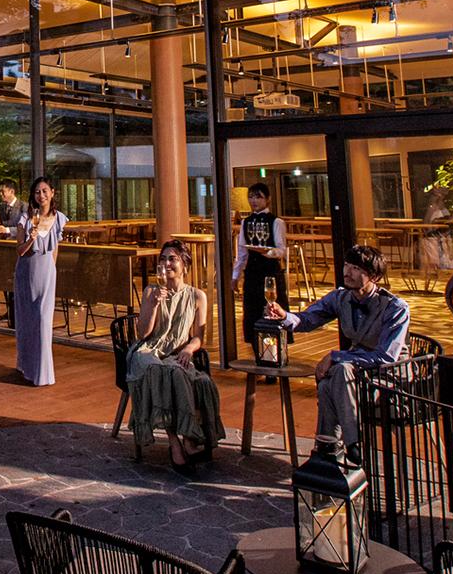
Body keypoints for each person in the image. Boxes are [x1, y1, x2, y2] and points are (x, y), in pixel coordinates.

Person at [265, 243, 409, 467]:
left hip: (389, 377)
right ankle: (341, 446)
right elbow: (308, 319)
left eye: (356, 268)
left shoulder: (395, 307)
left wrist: (336, 356)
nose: (347, 272)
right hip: (356, 376)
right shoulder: (341, 298)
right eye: (346, 265)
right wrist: (284, 316)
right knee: (330, 382)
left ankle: (335, 447)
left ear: (374, 277)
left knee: (337, 372)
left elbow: (386, 357)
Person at [126, 238, 225, 475]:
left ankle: (189, 436)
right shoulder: (151, 291)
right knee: (162, 372)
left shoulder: (197, 296)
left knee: (194, 378)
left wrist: (189, 350)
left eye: (172, 259)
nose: (167, 264)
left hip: (176, 353)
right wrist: (153, 305)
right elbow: (143, 334)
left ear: (185, 265)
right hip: (147, 352)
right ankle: (175, 443)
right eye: (163, 259)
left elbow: (198, 337)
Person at [14, 174, 66, 386]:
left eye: (45, 191)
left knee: (43, 322)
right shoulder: (25, 219)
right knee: (27, 322)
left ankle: (43, 374)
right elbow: (20, 251)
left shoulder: (59, 219)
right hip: (26, 272)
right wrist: (31, 238)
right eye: (37, 192)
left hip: (47, 273)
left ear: (52, 193)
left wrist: (52, 270)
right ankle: (27, 367)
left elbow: (55, 250)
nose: (41, 195)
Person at [231, 182, 288, 352]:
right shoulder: (246, 222)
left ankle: (276, 353)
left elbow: (281, 250)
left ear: (268, 199)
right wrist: (235, 276)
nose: (254, 201)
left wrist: (267, 252)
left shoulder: (276, 222)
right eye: (251, 197)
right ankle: (258, 351)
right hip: (252, 272)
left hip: (270, 271)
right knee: (252, 312)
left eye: (258, 197)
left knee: (273, 311)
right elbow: (242, 253)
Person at [0, 179, 26, 323]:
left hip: (17, 249)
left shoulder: (23, 207)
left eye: (3, 191)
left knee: (15, 280)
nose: (0, 194)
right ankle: (10, 310)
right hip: (3, 249)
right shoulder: (2, 207)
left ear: (11, 191)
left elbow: (25, 227)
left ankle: (17, 312)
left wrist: (8, 230)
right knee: (5, 280)